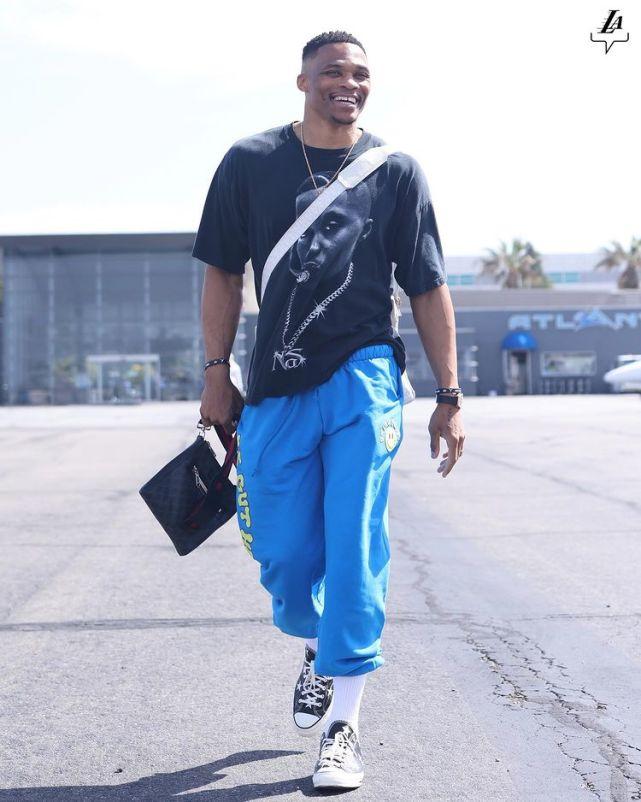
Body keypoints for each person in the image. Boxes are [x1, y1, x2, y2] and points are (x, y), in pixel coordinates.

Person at [195, 30, 465, 791]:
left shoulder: (396, 170)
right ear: (303, 81)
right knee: (283, 557)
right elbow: (222, 273)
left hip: (364, 379)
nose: (349, 83)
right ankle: (318, 645)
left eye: (361, 74)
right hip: (275, 389)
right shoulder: (249, 162)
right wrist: (216, 374)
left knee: (354, 543)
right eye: (333, 72)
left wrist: (448, 395)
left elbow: (427, 286)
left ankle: (343, 726)